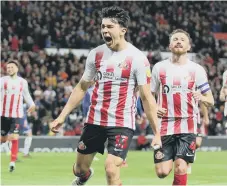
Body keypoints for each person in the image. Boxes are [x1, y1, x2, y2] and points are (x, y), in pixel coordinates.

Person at [51, 6, 161, 186]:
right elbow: (82, 87)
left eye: (110, 26)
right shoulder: (96, 54)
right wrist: (62, 116)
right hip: (95, 119)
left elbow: (147, 97)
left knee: (111, 168)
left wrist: (157, 132)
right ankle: (84, 176)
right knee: (79, 169)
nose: (104, 30)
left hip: (122, 122)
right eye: (103, 27)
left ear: (123, 30)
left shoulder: (138, 59)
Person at [151, 29, 214, 185]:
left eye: (182, 39)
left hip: (188, 124)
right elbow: (148, 96)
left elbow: (211, 100)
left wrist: (202, 97)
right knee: (162, 172)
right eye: (175, 39)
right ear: (169, 45)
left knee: (180, 167)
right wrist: (154, 107)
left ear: (189, 47)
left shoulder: (197, 70)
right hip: (164, 125)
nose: (178, 41)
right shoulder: (159, 68)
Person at [1, 60, 36, 172]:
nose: (9, 69)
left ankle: (12, 163)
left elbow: (26, 94)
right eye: (8, 68)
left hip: (16, 115)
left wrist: (32, 104)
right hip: (3, 114)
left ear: (17, 68)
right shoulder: (2, 81)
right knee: (3, 139)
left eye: (11, 67)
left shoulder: (22, 82)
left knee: (15, 138)